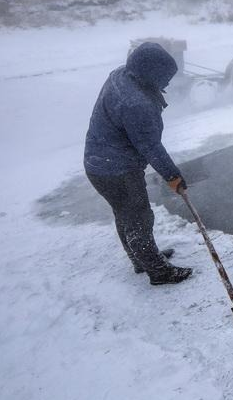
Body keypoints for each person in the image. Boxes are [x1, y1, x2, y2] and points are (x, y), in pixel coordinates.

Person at [84, 42, 192, 286]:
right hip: (116, 169)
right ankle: (158, 271)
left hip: (99, 163)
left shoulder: (122, 75)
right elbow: (150, 146)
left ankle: (142, 259)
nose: (166, 84)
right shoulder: (136, 103)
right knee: (139, 216)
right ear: (151, 73)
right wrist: (173, 177)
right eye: (164, 78)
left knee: (124, 214)